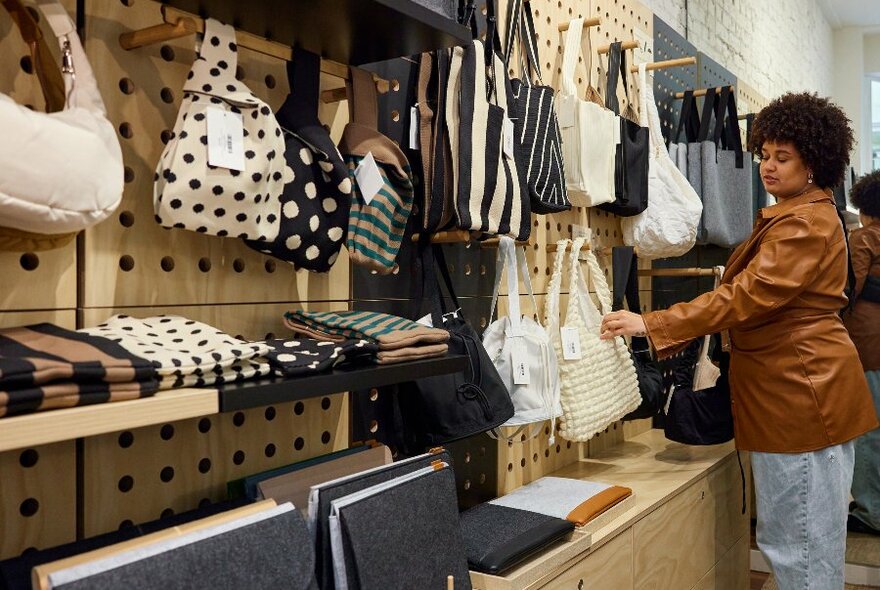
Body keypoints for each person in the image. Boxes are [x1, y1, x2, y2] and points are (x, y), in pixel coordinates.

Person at [600, 92, 878, 589]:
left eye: (782, 157)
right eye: (764, 155)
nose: (768, 167)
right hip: (792, 394)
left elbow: (745, 296)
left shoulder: (806, 223)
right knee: (796, 544)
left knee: (803, 551)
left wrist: (654, 324)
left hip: (801, 399)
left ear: (813, 162)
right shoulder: (795, 214)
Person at [844, 170, 880, 536]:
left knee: (870, 429)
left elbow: (847, 290)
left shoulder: (863, 238)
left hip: (870, 344)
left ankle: (872, 512)